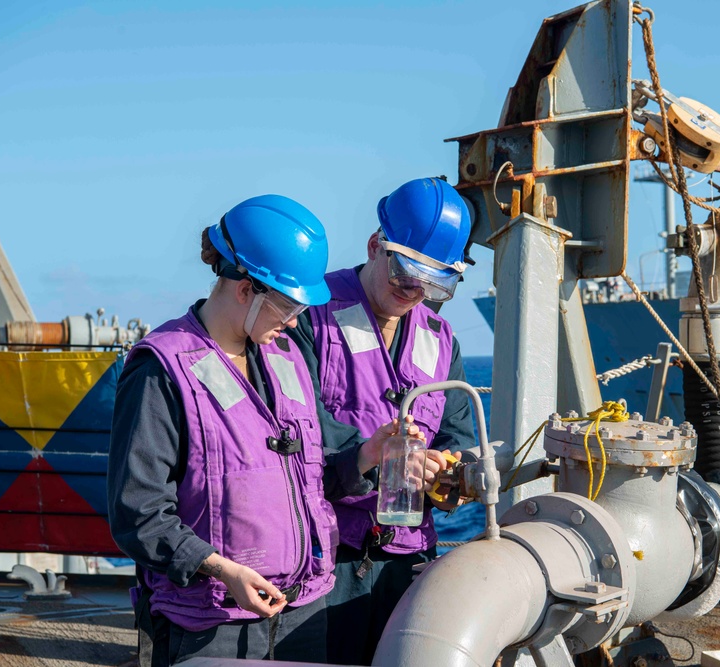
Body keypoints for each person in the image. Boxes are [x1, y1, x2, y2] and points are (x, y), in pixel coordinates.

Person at [106, 194, 425, 666]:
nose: (296, 321)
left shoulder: (288, 358)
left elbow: (308, 479)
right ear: (245, 290)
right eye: (288, 306)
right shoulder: (162, 370)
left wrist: (365, 456)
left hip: (304, 613)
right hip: (212, 624)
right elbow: (138, 512)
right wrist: (221, 570)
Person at [288, 177, 477, 665]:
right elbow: (295, 428)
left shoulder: (441, 338)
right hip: (329, 556)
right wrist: (367, 454)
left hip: (409, 561)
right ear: (376, 246)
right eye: (403, 275)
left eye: (432, 283)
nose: (413, 291)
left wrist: (447, 469)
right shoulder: (310, 315)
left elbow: (459, 434)